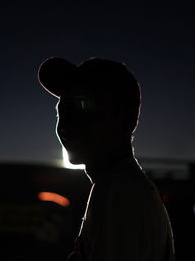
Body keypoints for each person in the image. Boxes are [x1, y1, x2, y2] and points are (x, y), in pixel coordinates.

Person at [38, 57, 175, 261]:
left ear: (125, 120)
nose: (65, 126)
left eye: (84, 107)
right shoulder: (125, 186)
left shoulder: (117, 190)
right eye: (62, 113)